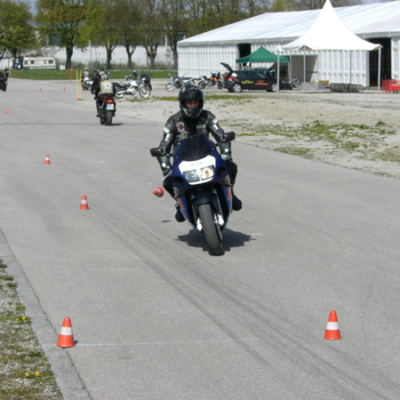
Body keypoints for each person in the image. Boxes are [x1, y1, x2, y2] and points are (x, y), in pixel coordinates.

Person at [155, 85, 242, 222]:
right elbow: (164, 145)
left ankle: (231, 193)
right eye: (189, 103)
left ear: (200, 102)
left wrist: (226, 154)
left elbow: (221, 135)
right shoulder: (173, 121)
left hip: (207, 157)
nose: (193, 106)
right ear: (183, 103)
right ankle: (180, 203)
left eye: (195, 102)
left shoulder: (208, 116)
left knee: (231, 167)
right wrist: (166, 167)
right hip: (183, 162)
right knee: (167, 182)